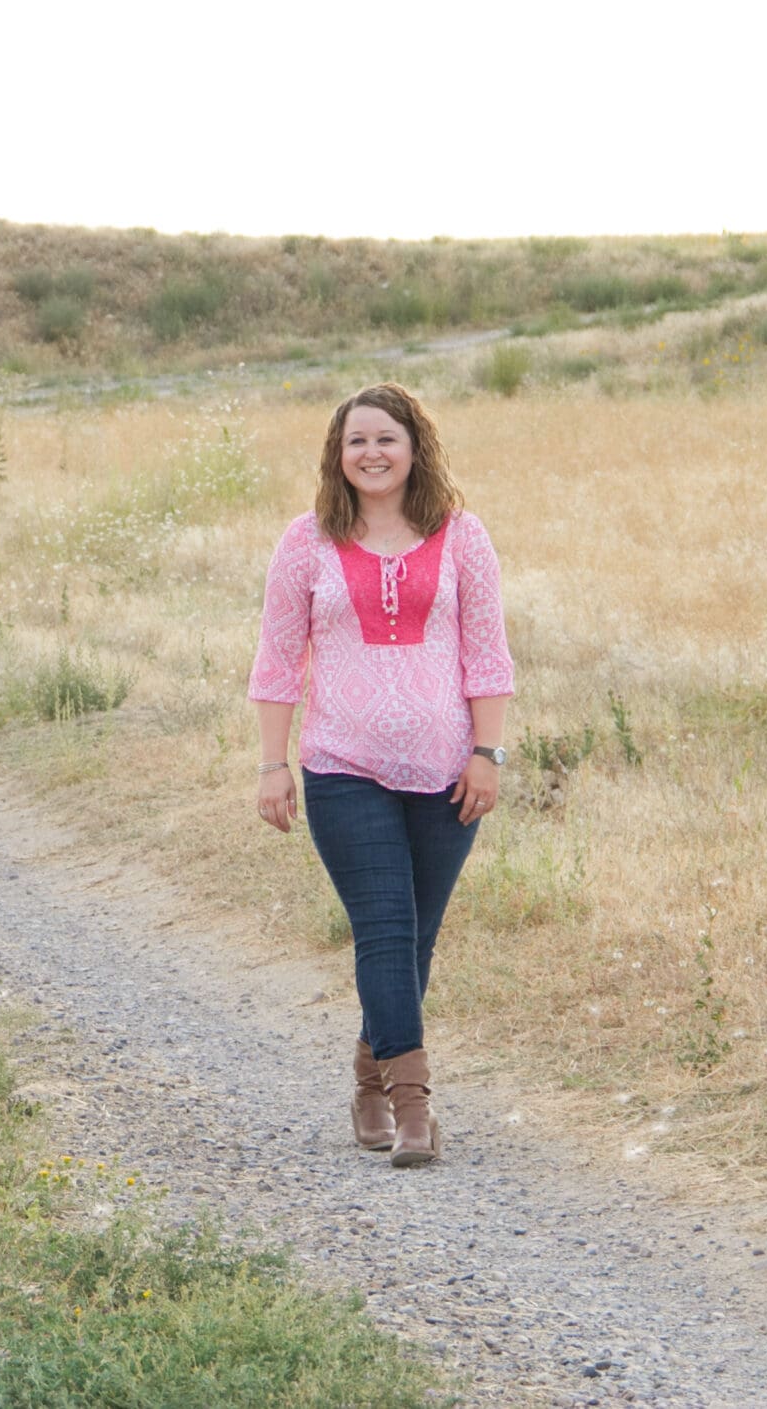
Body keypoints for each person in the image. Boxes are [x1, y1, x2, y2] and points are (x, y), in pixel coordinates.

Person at [248, 383, 514, 1167]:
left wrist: (487, 753)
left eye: (385, 439)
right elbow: (276, 662)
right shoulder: (307, 541)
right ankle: (414, 1107)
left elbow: (488, 654)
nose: (371, 452)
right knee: (386, 930)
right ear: (338, 452)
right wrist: (272, 763)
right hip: (342, 768)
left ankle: (369, 1077)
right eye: (356, 439)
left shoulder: (463, 537)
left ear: (414, 448)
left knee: (415, 941)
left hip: (446, 772)